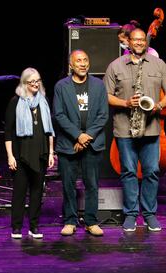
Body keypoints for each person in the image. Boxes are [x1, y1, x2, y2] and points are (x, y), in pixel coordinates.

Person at [104, 28, 166, 232]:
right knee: (128, 172)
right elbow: (106, 96)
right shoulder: (115, 66)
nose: (139, 43)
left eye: (142, 40)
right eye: (135, 40)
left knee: (152, 171)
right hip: (125, 129)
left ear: (146, 42)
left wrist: (159, 106)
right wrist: (126, 103)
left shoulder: (159, 64)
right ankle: (131, 214)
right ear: (128, 42)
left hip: (151, 128)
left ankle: (150, 214)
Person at [53, 50, 108, 236]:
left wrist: (86, 136)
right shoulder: (61, 86)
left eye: (85, 60)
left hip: (92, 143)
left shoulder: (99, 85)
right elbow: (59, 115)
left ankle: (91, 221)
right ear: (71, 65)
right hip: (68, 144)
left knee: (92, 184)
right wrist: (78, 135)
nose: (83, 64)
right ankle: (70, 220)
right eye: (78, 61)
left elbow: (103, 115)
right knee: (68, 184)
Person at [5, 67, 55, 239]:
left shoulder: (44, 101)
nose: (35, 84)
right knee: (19, 192)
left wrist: (50, 152)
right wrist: (10, 156)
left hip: (40, 153)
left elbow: (48, 130)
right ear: (24, 83)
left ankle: (34, 226)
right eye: (31, 81)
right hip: (21, 155)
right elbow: (8, 132)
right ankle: (16, 227)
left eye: (37, 81)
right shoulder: (15, 102)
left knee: (37, 192)